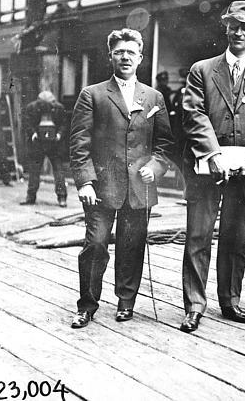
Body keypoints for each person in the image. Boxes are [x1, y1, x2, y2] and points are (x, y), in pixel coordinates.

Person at [179, 1, 245, 332]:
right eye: (233, 26)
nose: (239, 32)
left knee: (237, 237)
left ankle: (230, 301)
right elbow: (194, 114)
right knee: (198, 235)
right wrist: (212, 154)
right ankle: (195, 304)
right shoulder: (202, 70)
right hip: (209, 168)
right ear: (226, 28)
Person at [68, 28, 174, 329]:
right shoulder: (93, 94)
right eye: (119, 52)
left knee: (133, 245)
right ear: (110, 56)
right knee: (95, 244)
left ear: (140, 58)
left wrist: (155, 167)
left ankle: (126, 303)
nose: (125, 57)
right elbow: (79, 143)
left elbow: (165, 144)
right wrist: (85, 181)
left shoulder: (153, 97)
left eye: (131, 52)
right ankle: (87, 305)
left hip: (139, 187)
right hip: (102, 186)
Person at [20, 91, 69, 207]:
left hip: (54, 145)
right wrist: (33, 134)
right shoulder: (31, 108)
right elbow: (27, 123)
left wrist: (59, 135)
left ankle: (62, 197)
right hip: (38, 144)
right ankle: (30, 197)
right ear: (39, 104)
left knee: (58, 170)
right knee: (34, 171)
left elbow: (64, 124)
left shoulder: (59, 109)